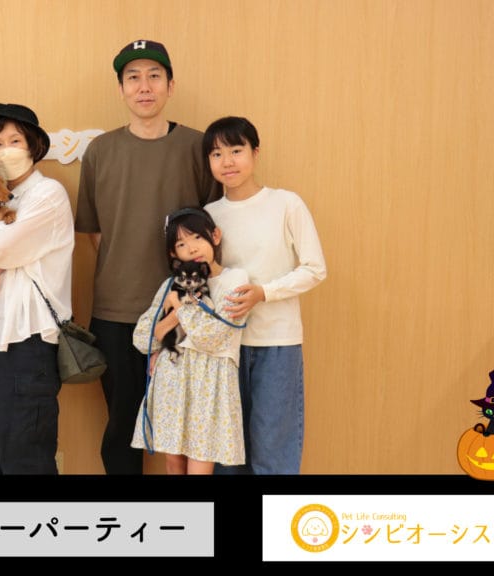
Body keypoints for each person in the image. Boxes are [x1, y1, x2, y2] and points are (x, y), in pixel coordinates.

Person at [75, 39, 220, 474]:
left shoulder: (198, 147)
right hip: (116, 311)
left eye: (154, 76)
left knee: (191, 430)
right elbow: (96, 232)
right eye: (133, 78)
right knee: (122, 425)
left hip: (187, 310)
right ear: (121, 89)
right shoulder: (100, 151)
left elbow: (212, 228)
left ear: (170, 86)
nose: (144, 86)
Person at [203, 116, 327, 475]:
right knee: (227, 455)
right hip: (225, 347)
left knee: (273, 449)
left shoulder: (286, 203)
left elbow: (315, 268)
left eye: (236, 150)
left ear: (255, 153)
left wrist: (264, 293)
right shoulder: (209, 215)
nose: (227, 162)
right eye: (216, 154)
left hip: (277, 342)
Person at [0, 103, 74, 474]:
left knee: (25, 454)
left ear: (33, 147)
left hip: (29, 339)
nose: (6, 150)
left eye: (15, 141)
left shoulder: (48, 194)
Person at [129, 207, 248, 474]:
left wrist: (177, 306)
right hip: (173, 376)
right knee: (174, 464)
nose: (191, 248)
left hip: (210, 380)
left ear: (214, 236)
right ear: (174, 254)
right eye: (181, 244)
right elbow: (142, 338)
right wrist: (174, 315)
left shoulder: (235, 280)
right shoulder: (169, 285)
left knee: (199, 464)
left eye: (196, 237)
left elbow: (211, 337)